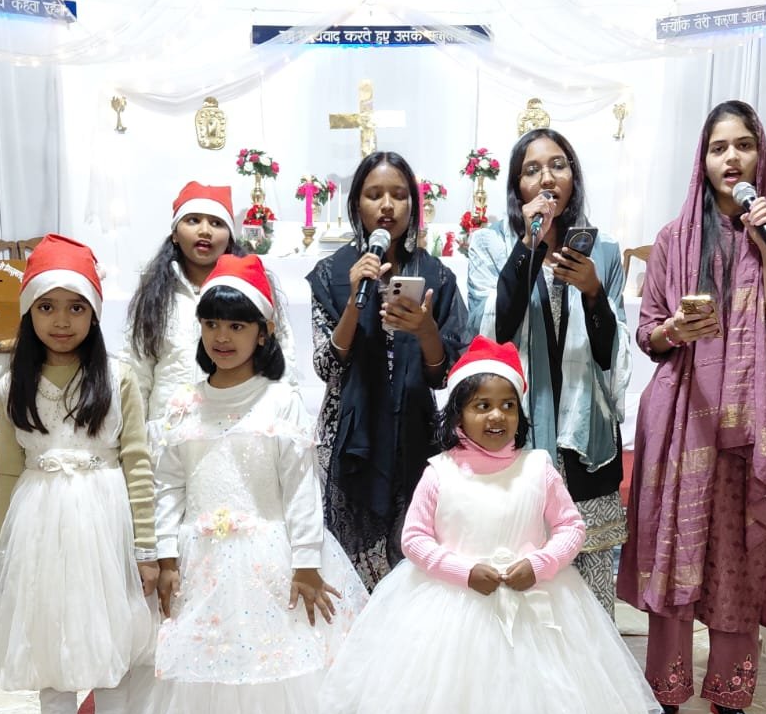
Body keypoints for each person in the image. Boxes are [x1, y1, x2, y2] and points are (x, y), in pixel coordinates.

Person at [322, 338, 660, 714]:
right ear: (458, 412)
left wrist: (541, 563)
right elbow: (414, 539)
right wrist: (462, 570)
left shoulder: (538, 467)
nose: (496, 416)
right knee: (449, 704)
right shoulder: (440, 472)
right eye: (481, 405)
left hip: (530, 608)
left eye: (507, 405)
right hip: (451, 608)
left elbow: (571, 527)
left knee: (523, 702)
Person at [109, 254, 382, 714]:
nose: (223, 337)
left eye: (237, 324)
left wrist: (306, 562)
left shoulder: (280, 402)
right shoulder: (183, 405)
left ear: (264, 332)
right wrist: (166, 555)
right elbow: (169, 487)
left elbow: (301, 489)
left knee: (274, 682)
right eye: (212, 324)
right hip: (203, 565)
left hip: (271, 561)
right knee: (201, 679)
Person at [619, 100, 766, 714]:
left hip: (753, 419)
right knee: (674, 549)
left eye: (743, 145)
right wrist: (675, 328)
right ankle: (666, 690)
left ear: (761, 153)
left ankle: (731, 693)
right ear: (701, 160)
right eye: (718, 147)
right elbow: (648, 334)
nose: (732, 158)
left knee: (740, 552)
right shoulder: (674, 239)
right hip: (682, 416)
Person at [0, 234, 159, 714]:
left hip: (106, 523)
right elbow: (6, 470)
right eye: (47, 306)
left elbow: (137, 462)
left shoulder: (118, 378)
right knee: (47, 645)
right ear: (28, 311)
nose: (61, 320)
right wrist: (3, 551)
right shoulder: (11, 384)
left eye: (77, 307)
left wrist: (147, 547)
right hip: (39, 527)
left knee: (111, 647)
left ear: (95, 313)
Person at [466, 128, 630, 613]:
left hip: (584, 441)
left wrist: (594, 292)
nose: (546, 178)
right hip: (515, 433)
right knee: (523, 584)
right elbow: (490, 336)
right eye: (532, 170)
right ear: (517, 187)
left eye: (558, 165)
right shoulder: (491, 244)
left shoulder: (603, 250)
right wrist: (526, 246)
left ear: (573, 178)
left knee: (589, 594)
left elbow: (612, 354)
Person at [307, 150, 470, 589]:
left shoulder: (435, 274)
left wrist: (425, 330)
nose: (386, 206)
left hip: (414, 433)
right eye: (374, 194)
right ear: (356, 203)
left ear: (413, 205)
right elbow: (326, 365)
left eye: (398, 195)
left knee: (411, 567)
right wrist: (353, 300)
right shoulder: (330, 273)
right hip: (350, 436)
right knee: (352, 570)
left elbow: (445, 374)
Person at [124, 181, 297, 423]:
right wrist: (136, 436)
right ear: (175, 234)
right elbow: (137, 370)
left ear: (230, 237)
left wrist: (280, 418)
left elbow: (283, 357)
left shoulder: (253, 289)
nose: (205, 231)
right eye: (193, 220)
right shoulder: (156, 294)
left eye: (216, 223)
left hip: (242, 424)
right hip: (169, 428)